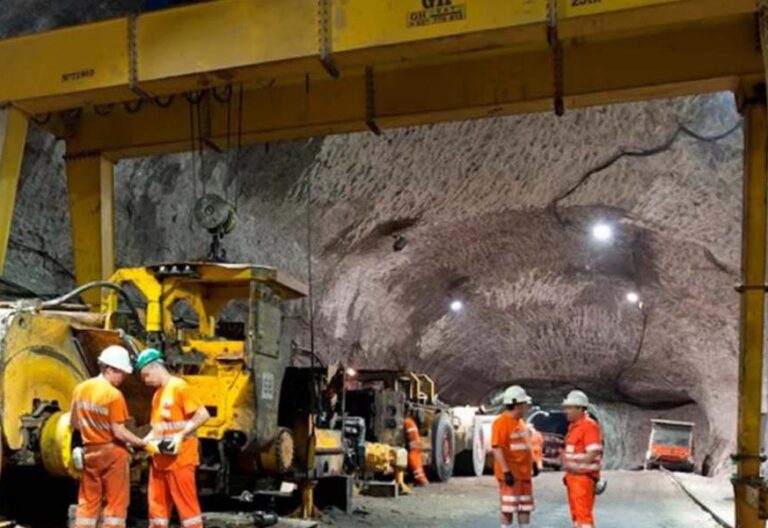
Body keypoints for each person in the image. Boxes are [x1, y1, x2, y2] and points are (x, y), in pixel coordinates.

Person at [70, 345, 153, 528]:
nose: (122, 378)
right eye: (121, 373)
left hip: (89, 452)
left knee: (88, 500)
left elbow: (74, 422)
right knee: (116, 502)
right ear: (109, 369)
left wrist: (92, 430)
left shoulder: (81, 389)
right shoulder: (113, 395)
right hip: (112, 454)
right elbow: (119, 431)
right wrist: (141, 442)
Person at [135, 348, 210, 528]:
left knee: (187, 510)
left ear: (156, 367)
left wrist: (181, 434)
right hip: (160, 460)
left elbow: (203, 414)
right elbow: (158, 428)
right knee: (157, 511)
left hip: (180, 460)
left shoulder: (179, 387)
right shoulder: (158, 395)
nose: (146, 381)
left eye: (146, 375)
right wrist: (142, 443)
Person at [492, 386, 535, 527]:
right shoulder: (501, 423)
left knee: (524, 507)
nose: (527, 408)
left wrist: (533, 462)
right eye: (524, 405)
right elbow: (497, 447)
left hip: (524, 474)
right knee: (508, 508)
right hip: (511, 475)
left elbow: (526, 445)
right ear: (517, 405)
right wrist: (506, 471)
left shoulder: (521, 423)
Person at [561, 390, 603, 528]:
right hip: (573, 478)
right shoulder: (574, 427)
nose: (566, 411)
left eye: (569, 408)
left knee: (583, 517)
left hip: (583, 478)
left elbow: (594, 452)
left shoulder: (588, 426)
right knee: (577, 516)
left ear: (579, 408)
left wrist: (575, 467)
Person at [404, 412, 429, 486]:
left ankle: (420, 480)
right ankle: (421, 479)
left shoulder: (407, 422)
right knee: (417, 463)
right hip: (416, 446)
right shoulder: (412, 423)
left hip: (414, 446)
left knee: (413, 461)